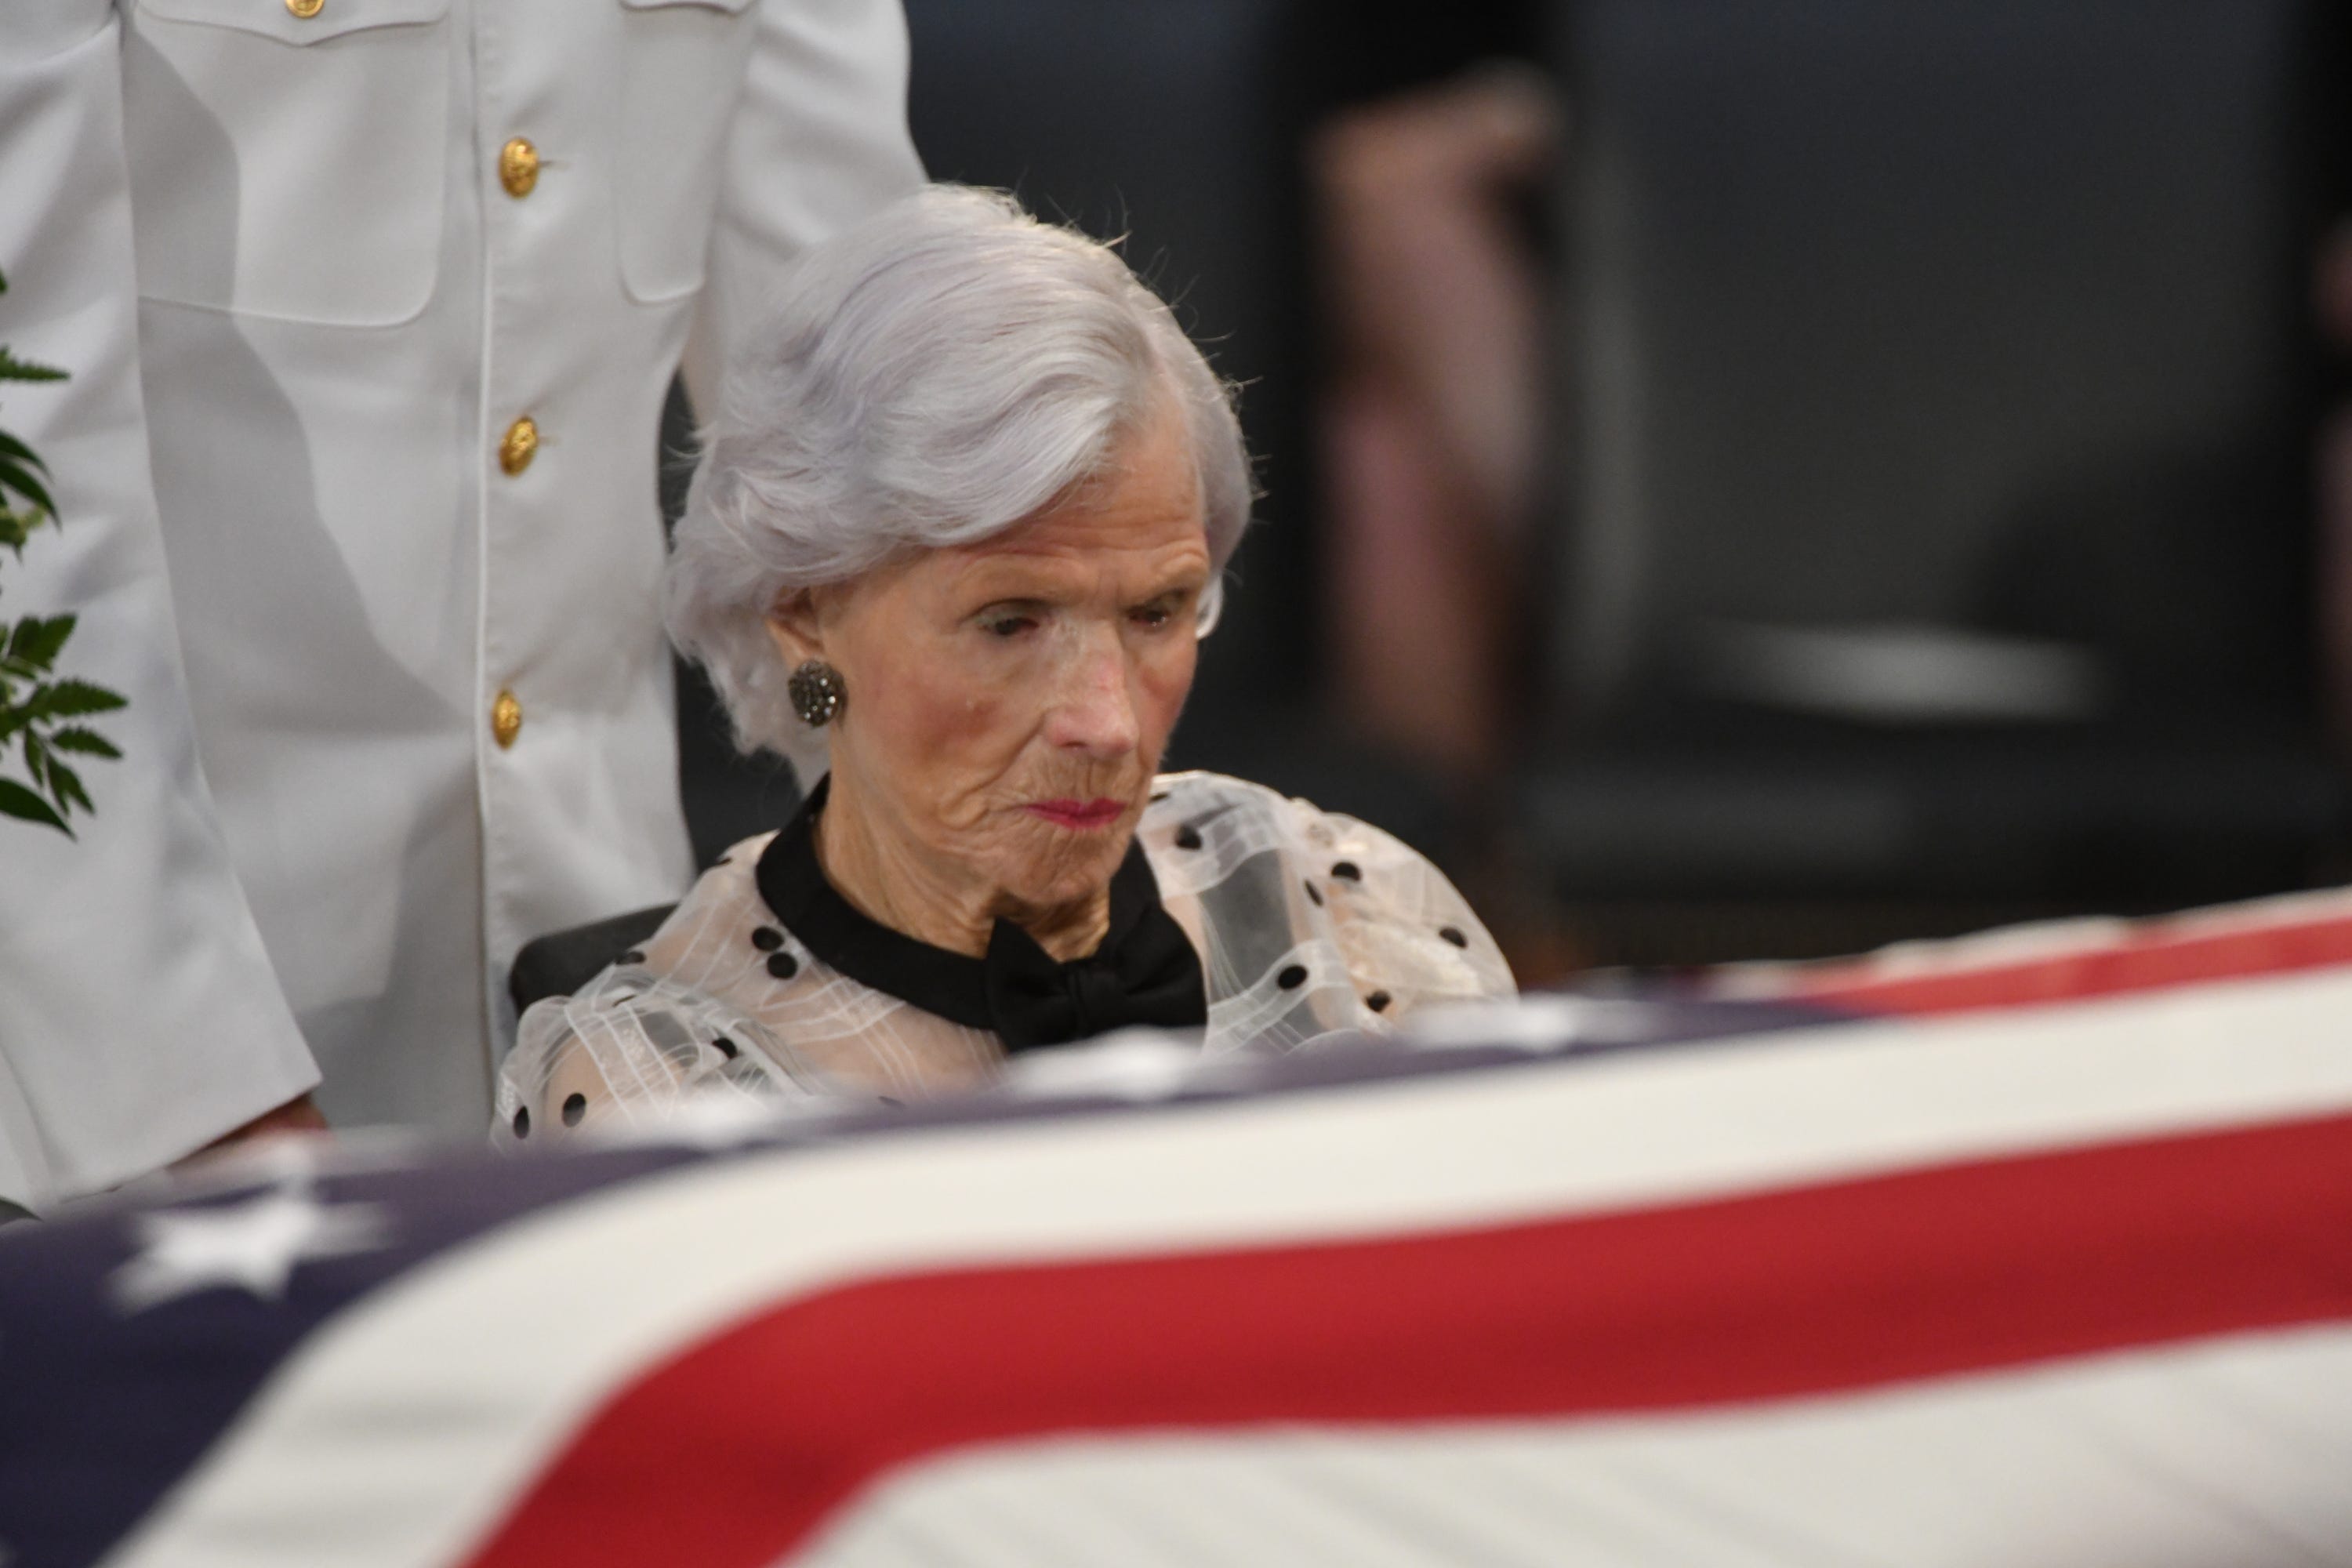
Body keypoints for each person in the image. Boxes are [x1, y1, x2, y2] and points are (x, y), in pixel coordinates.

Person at [0, 0, 924, 1211]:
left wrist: (947, 930)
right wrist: (198, 1110)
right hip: (122, 1077)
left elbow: (870, 425)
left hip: (625, 1033)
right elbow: (26, 456)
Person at [495, 187, 1516, 1137]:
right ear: (803, 613)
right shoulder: (663, 1094)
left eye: (1158, 611)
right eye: (1011, 622)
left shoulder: (1358, 914)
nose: (1108, 724)